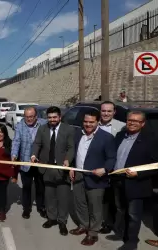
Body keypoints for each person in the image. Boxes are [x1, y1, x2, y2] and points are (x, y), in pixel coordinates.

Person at [106, 111, 158, 250]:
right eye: (130, 120)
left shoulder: (151, 141)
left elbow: (156, 166)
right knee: (120, 209)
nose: (132, 123)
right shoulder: (120, 136)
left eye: (136, 121)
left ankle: (132, 242)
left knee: (134, 215)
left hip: (137, 184)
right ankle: (121, 233)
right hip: (118, 180)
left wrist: (138, 174)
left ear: (143, 123)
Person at [68, 109, 117, 246]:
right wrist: (72, 167)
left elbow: (112, 158)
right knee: (80, 203)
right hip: (78, 175)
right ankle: (83, 225)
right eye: (85, 121)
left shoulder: (106, 138)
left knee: (95, 207)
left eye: (91, 122)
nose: (88, 124)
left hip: (96, 178)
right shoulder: (78, 134)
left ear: (97, 122)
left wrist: (105, 169)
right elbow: (75, 152)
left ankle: (93, 233)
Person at [31, 106, 75, 236]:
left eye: (54, 117)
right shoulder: (42, 129)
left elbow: (71, 147)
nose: (52, 120)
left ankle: (62, 221)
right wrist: (34, 155)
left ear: (60, 117)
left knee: (63, 197)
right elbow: (37, 144)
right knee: (49, 196)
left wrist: (68, 160)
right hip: (47, 168)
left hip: (62, 168)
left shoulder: (68, 129)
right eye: (49, 117)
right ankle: (52, 218)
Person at [11, 106, 47, 219]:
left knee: (40, 186)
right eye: (26, 117)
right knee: (26, 187)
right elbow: (16, 141)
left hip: (39, 162)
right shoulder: (20, 125)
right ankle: (26, 208)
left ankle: (41, 207)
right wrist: (14, 155)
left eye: (31, 117)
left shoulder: (44, 124)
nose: (29, 119)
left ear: (36, 116)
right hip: (25, 162)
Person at [98, 101, 126, 234]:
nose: (106, 113)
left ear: (114, 112)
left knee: (112, 199)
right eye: (103, 111)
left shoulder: (122, 127)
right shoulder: (93, 125)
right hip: (95, 168)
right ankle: (97, 220)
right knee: (98, 197)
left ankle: (110, 223)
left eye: (109, 111)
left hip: (113, 169)